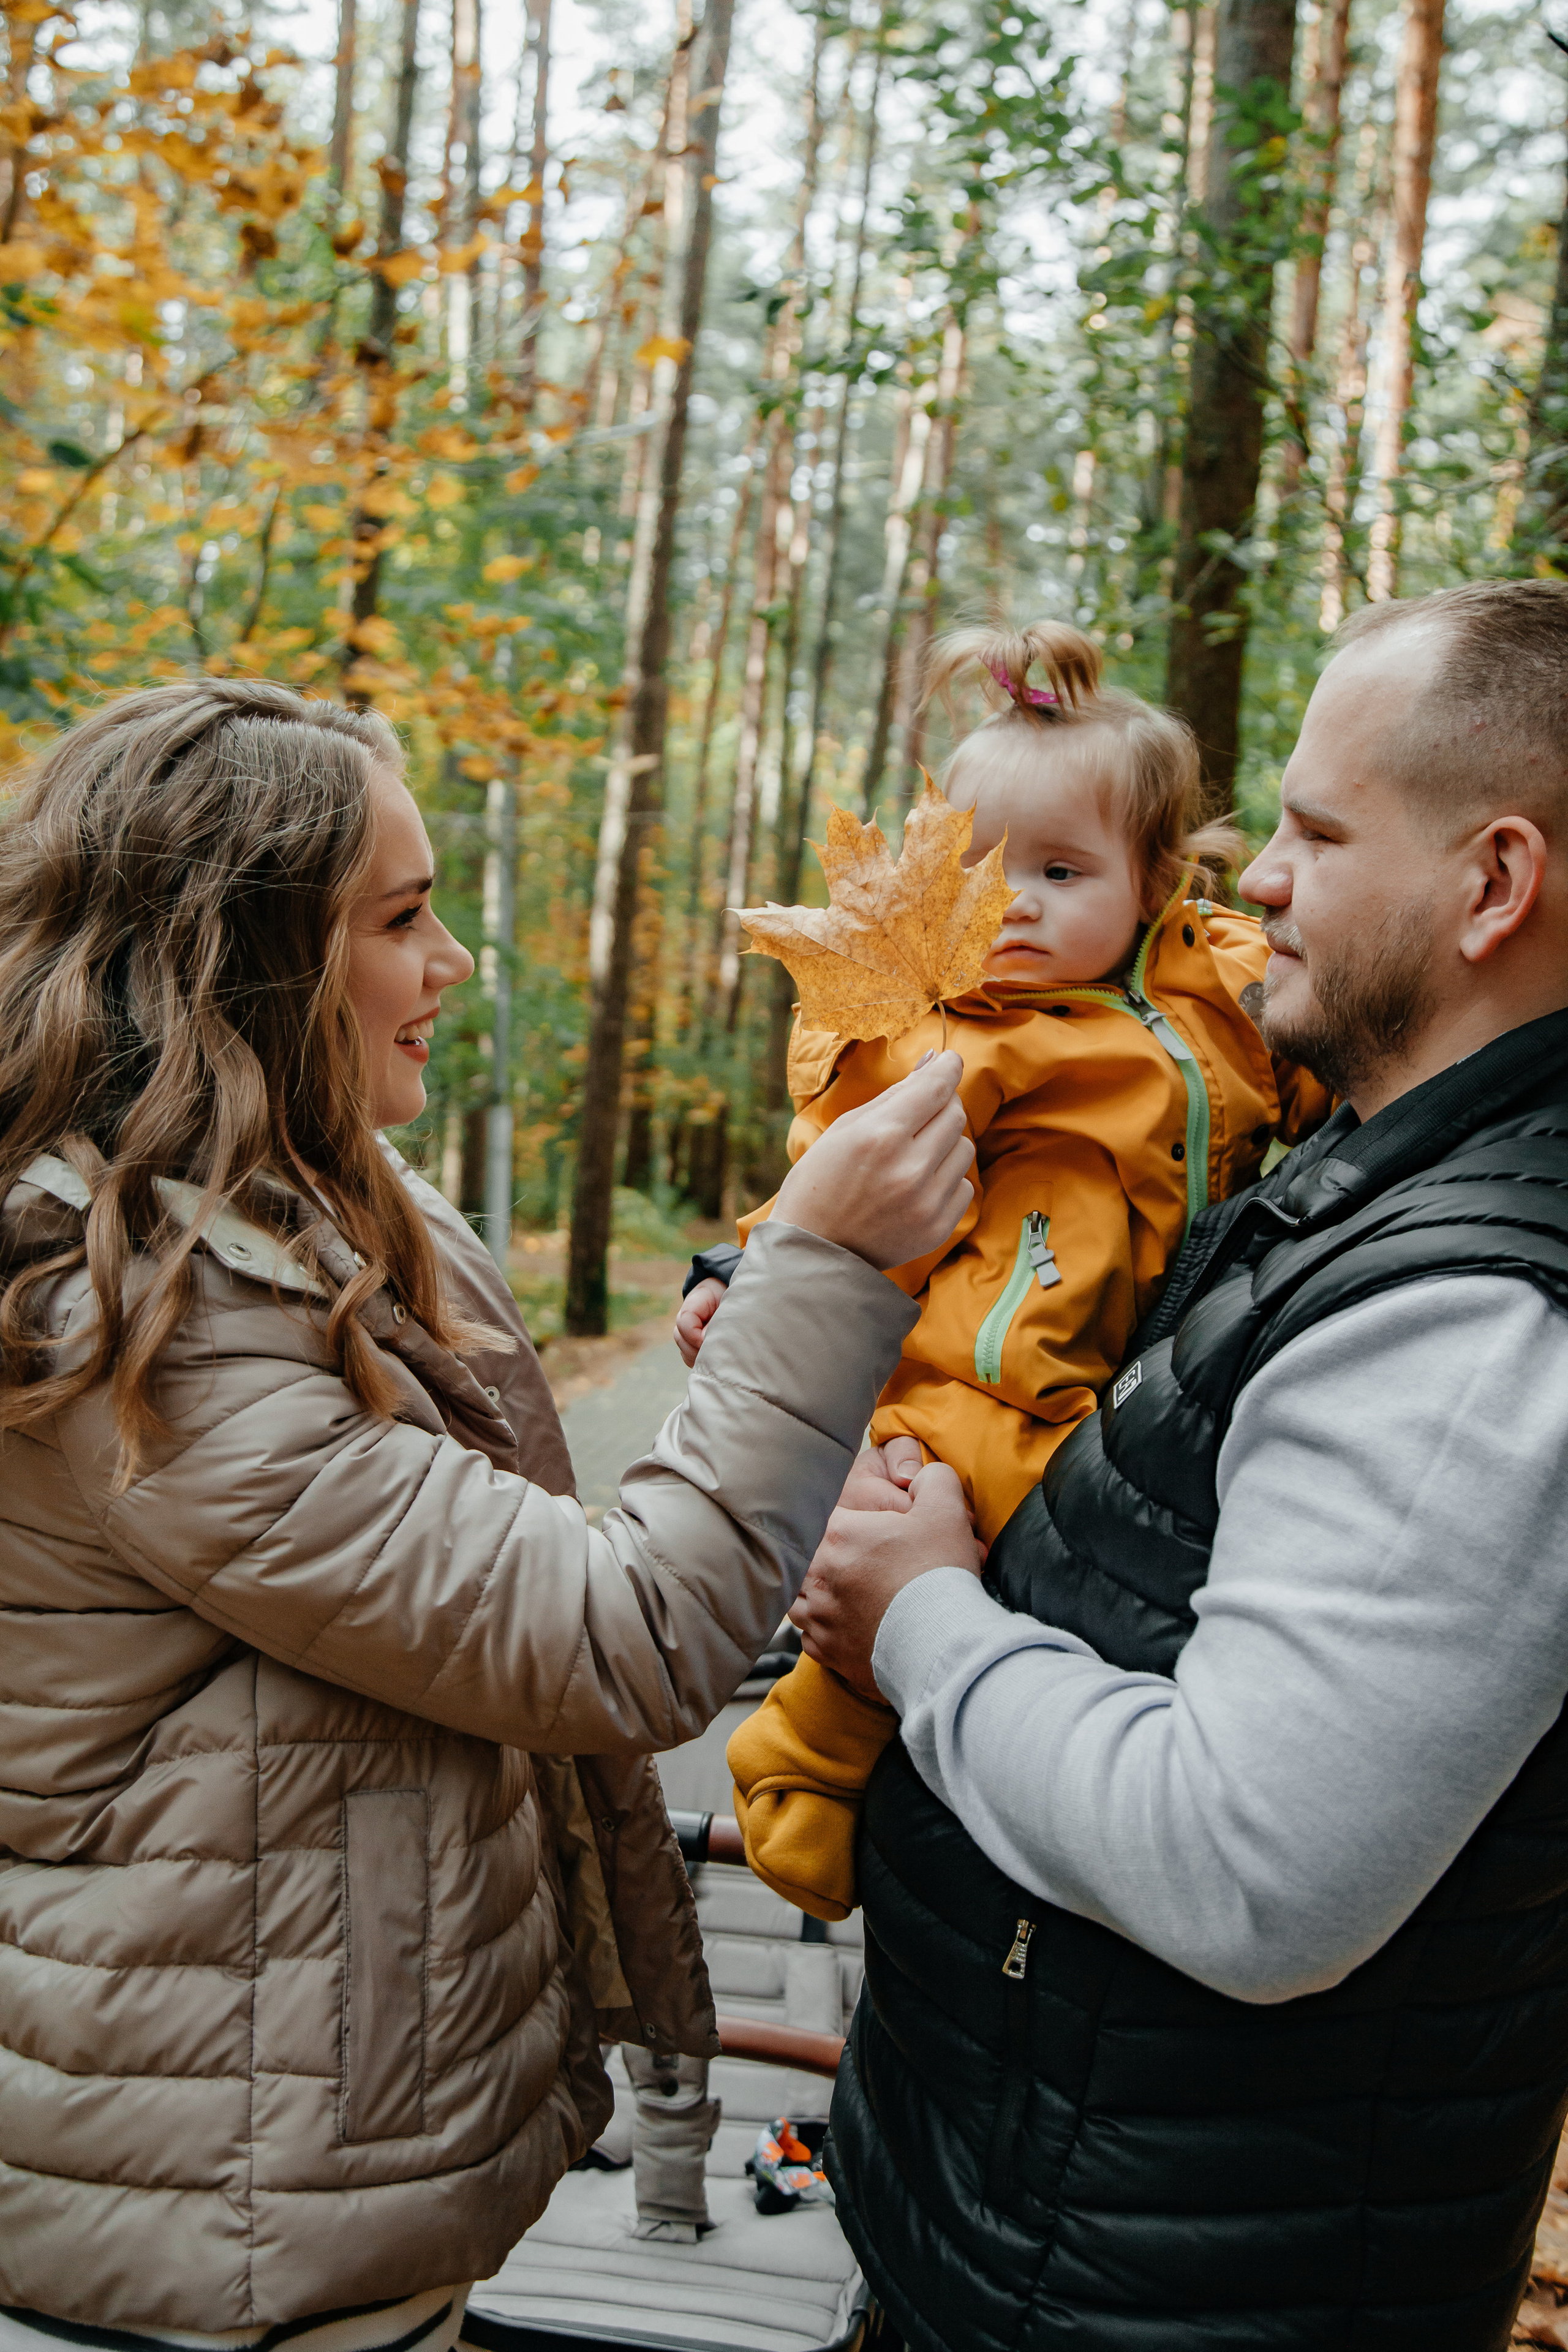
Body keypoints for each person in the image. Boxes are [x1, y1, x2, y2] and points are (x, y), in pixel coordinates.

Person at [0, 679, 976, 2348]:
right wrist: (820, 1272)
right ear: (247, 962)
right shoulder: (139, 1319)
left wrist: (756, 1326)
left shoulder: (314, 1209)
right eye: (399, 917)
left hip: (279, 2137)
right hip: (223, 2213)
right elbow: (624, 1634)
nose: (450, 960)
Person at [788, 577, 1568, 2352]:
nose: (1260, 882)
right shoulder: (1363, 1178)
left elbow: (1246, 1866)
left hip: (1168, 2297)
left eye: (1308, 831)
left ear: (1492, 885)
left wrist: (917, 1623)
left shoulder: (1473, 1323)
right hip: (1058, 2237)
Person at [677, 619, 1328, 1921]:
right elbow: (836, 1175)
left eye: (1057, 870)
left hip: (1154, 1347)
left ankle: (1007, 1770)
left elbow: (1311, 1064)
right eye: (974, 870)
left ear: (1149, 884)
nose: (1010, 903)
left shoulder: (1223, 984)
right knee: (947, 1514)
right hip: (987, 1357)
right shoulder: (948, 1036)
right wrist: (743, 1270)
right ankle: (808, 1750)